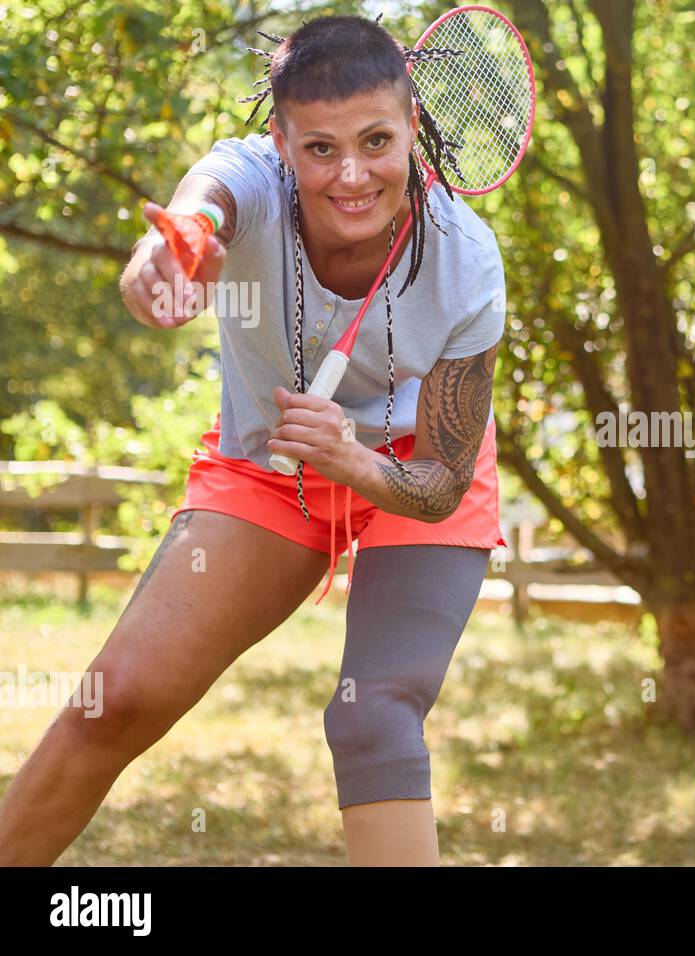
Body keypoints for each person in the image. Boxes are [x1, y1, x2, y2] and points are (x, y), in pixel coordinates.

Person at [0, 15, 507, 866]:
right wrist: (171, 262)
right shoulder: (249, 178)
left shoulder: (466, 262)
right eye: (319, 149)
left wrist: (354, 458)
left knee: (371, 713)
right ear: (279, 139)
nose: (352, 175)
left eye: (378, 140)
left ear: (414, 123)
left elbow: (444, 479)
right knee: (112, 699)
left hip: (414, 471)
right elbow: (195, 220)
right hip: (271, 468)